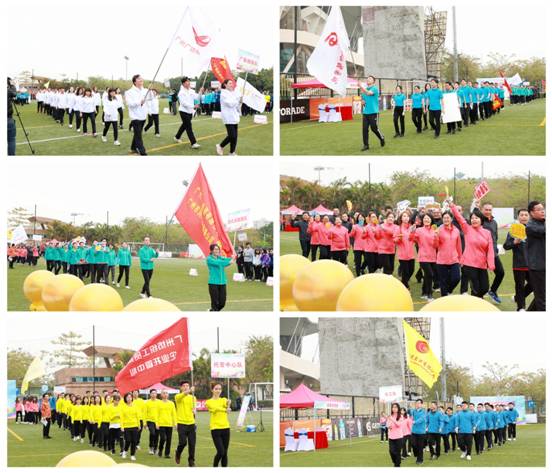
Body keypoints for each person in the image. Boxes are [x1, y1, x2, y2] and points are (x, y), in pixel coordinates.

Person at [449, 201, 495, 297]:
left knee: (485, 288)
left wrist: (491, 264)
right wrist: (452, 206)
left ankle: (477, 300)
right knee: (476, 289)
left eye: (476, 218)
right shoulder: (467, 229)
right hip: (469, 264)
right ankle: (476, 303)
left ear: (481, 219)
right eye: (472, 218)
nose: (474, 220)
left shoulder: (487, 233)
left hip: (482, 264)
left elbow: (490, 250)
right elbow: (459, 218)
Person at [503, 209, 532, 311]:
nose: (524, 217)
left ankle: (517, 298)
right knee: (519, 286)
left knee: (534, 284)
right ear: (518, 217)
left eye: (526, 215)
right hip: (519, 264)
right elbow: (506, 246)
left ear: (529, 217)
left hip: (533, 264)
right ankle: (521, 308)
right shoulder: (513, 231)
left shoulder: (533, 230)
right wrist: (514, 242)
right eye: (521, 215)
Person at [479, 202, 504, 303]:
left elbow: (495, 237)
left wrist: (495, 249)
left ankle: (493, 291)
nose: (488, 211)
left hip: (493, 253)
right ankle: (479, 297)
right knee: (481, 278)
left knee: (500, 273)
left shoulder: (494, 222)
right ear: (482, 210)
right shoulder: (479, 221)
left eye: (490, 210)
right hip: (481, 254)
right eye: (486, 209)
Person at [410, 214, 438, 300]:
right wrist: (412, 232)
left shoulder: (434, 231)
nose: (426, 220)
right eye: (425, 218)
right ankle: (429, 294)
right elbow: (412, 239)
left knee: (427, 275)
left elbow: (436, 245)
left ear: (431, 220)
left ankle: (424, 293)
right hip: (423, 257)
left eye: (428, 218)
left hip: (433, 257)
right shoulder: (419, 230)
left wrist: (437, 237)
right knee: (430, 274)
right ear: (422, 220)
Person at [435, 211, 462, 296]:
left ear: (451, 219)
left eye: (448, 218)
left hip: (454, 259)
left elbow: (459, 246)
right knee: (443, 281)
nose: (446, 219)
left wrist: (460, 258)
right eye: (444, 218)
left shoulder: (456, 230)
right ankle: (444, 296)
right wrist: (436, 236)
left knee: (456, 278)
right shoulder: (439, 230)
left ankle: (448, 291)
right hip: (442, 260)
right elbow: (435, 245)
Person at [206, 382, 231, 467]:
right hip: (215, 429)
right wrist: (225, 410)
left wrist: (229, 404)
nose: (218, 391)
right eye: (216, 389)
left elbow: (227, 406)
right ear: (212, 390)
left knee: (225, 453)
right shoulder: (208, 402)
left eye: (220, 389)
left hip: (226, 428)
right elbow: (215, 409)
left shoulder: (224, 400)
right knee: (221, 451)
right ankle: (215, 466)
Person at [526, 201, 545, 311]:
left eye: (543, 209)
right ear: (532, 213)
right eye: (539, 209)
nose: (542, 211)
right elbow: (542, 231)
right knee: (542, 297)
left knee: (542, 296)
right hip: (538, 266)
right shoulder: (530, 226)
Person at [359, 75, 385, 151]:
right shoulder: (365, 90)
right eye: (367, 79)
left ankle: (381, 138)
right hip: (365, 113)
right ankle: (366, 145)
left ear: (373, 81)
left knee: (374, 128)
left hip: (374, 112)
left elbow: (369, 93)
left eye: (370, 79)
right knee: (364, 129)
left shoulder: (374, 88)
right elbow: (363, 99)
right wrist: (362, 101)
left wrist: (361, 86)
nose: (368, 79)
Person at [174, 77, 201, 149]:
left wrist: (200, 92)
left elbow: (197, 97)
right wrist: (193, 106)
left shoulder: (192, 91)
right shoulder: (181, 92)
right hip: (183, 111)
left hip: (190, 111)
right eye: (187, 81)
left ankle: (177, 137)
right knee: (188, 126)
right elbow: (183, 103)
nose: (189, 83)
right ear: (183, 83)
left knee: (184, 125)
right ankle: (193, 143)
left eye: (189, 81)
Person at [125, 74, 149, 155]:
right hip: (135, 116)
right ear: (135, 82)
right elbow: (129, 104)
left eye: (141, 78)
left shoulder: (145, 90)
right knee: (138, 135)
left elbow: (151, 98)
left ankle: (133, 148)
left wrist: (151, 91)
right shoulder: (129, 92)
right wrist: (139, 102)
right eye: (139, 79)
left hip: (143, 115)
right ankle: (142, 152)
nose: (141, 79)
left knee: (137, 133)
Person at [216, 79, 241, 156]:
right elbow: (230, 104)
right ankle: (220, 146)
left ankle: (232, 152)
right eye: (229, 83)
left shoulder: (233, 93)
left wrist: (240, 101)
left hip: (234, 116)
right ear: (225, 85)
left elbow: (236, 106)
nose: (231, 85)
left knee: (235, 136)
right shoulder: (223, 94)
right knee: (232, 136)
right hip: (228, 117)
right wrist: (237, 100)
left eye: (232, 83)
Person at [175, 381, 196, 466]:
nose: (186, 387)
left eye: (187, 386)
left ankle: (191, 461)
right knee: (183, 442)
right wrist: (189, 391)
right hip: (181, 423)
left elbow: (193, 409)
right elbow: (183, 395)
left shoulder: (193, 397)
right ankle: (178, 452)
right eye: (184, 386)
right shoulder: (178, 396)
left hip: (191, 423)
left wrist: (194, 411)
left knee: (192, 443)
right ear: (181, 388)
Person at [206, 244, 233, 311]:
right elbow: (219, 263)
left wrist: (232, 257)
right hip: (213, 283)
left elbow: (227, 260)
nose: (217, 251)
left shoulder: (220, 258)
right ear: (211, 250)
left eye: (218, 249)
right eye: (215, 249)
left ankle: (212, 311)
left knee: (222, 303)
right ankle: (214, 311)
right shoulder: (209, 259)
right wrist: (229, 261)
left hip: (222, 282)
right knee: (215, 303)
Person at [395, 211, 415, 288]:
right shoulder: (398, 228)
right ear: (401, 218)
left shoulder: (411, 228)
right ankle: (405, 286)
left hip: (411, 254)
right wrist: (398, 239)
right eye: (404, 216)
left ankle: (403, 282)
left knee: (411, 270)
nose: (406, 218)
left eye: (407, 216)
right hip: (402, 254)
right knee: (405, 272)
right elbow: (394, 239)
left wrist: (413, 234)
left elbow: (414, 239)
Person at [156, 390, 176, 459]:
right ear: (161, 395)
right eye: (164, 393)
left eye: (166, 393)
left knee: (169, 439)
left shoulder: (171, 403)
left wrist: (175, 423)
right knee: (163, 438)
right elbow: (156, 414)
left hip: (169, 424)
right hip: (161, 424)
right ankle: (160, 449)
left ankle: (167, 454)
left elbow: (174, 414)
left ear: (168, 395)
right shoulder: (158, 403)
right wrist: (157, 423)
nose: (165, 394)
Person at [121, 392, 140, 461]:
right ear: (125, 399)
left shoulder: (135, 406)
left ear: (132, 398)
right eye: (127, 397)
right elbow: (122, 418)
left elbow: (137, 416)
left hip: (134, 426)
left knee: (134, 441)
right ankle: (125, 451)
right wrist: (122, 426)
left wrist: (139, 425)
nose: (129, 398)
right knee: (128, 440)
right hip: (126, 426)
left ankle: (132, 455)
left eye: (130, 397)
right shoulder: (123, 407)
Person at [386, 403, 404, 467]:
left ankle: (397, 465)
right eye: (393, 407)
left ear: (398, 408)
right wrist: (389, 426)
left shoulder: (401, 416)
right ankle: (396, 462)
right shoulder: (390, 416)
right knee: (391, 451)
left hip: (399, 437)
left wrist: (392, 419)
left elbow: (398, 425)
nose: (394, 408)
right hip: (391, 437)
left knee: (397, 452)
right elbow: (387, 424)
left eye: (396, 407)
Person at [410, 399, 427, 465]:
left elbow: (422, 419)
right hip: (414, 431)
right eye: (416, 403)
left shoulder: (424, 411)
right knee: (413, 444)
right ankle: (416, 454)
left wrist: (415, 422)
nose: (417, 404)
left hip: (421, 432)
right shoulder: (413, 411)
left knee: (420, 446)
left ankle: (420, 460)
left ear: (422, 404)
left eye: (419, 403)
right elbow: (411, 417)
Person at [144, 389, 161, 455]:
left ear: (156, 394)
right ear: (150, 394)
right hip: (150, 420)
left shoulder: (159, 402)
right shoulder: (147, 402)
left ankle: (155, 448)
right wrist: (145, 422)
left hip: (158, 421)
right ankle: (151, 447)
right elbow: (145, 413)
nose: (154, 394)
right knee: (152, 433)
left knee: (157, 435)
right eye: (152, 393)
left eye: (155, 393)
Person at [7, 77, 17, 155]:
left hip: (8, 118)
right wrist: (11, 85)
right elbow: (14, 93)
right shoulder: (8, 90)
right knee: (11, 140)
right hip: (8, 118)